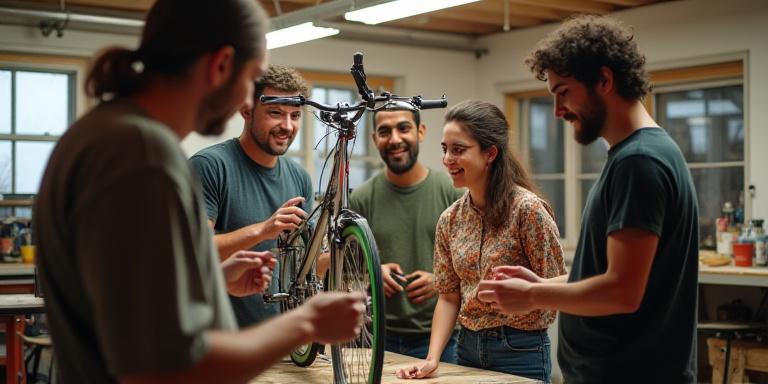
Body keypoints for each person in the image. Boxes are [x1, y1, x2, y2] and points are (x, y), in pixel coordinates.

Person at [33, 1, 364, 383]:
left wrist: (214, 276)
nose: (245, 99)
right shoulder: (140, 155)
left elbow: (128, 301)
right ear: (221, 64)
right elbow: (166, 370)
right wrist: (306, 324)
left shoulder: (110, 134)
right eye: (250, 77)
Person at [477, 15, 700, 383]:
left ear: (604, 80)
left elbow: (621, 292)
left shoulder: (639, 162)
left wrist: (533, 298)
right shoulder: (638, 154)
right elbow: (607, 277)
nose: (557, 110)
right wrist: (539, 285)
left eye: (563, 91)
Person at [397, 100, 566, 382]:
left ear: (490, 153)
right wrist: (432, 358)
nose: (447, 159)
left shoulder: (528, 210)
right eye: (445, 149)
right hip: (467, 348)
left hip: (520, 349)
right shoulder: (450, 219)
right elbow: (449, 297)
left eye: (458, 150)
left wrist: (526, 298)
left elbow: (558, 285)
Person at [189, 64, 313, 327]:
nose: (287, 126)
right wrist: (263, 230)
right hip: (220, 340)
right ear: (246, 110)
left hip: (278, 341)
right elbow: (191, 250)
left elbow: (307, 267)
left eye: (295, 115)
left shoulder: (299, 178)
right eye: (275, 113)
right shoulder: (210, 166)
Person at [349, 104, 463, 362]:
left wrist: (440, 280)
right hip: (378, 338)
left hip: (443, 339)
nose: (395, 139)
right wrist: (372, 274)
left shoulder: (453, 193)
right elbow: (345, 271)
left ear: (420, 132)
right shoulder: (362, 199)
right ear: (374, 139)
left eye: (404, 128)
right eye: (385, 131)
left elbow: (477, 266)